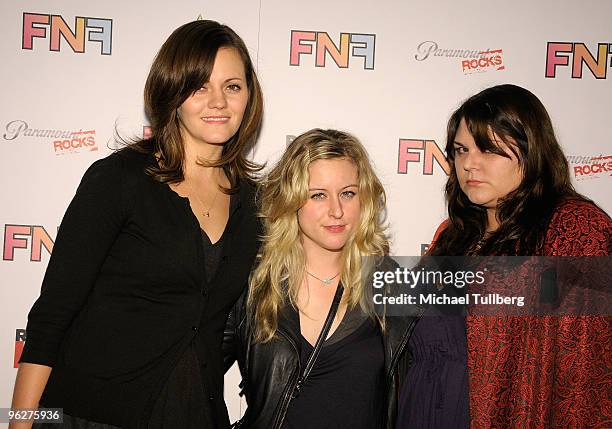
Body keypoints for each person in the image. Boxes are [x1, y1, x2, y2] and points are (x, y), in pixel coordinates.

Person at [10, 20, 263, 429]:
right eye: (199, 86)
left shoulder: (256, 204)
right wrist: (19, 423)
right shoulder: (119, 179)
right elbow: (53, 316)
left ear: (249, 96)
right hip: (89, 414)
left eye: (232, 86)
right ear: (172, 91)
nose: (218, 101)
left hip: (195, 413)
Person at [400, 84, 610, 428]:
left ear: (532, 152)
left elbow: (586, 378)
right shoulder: (452, 236)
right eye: (461, 150)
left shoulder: (575, 229)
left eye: (490, 150)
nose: (469, 164)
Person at [223, 129, 423, 429]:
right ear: (292, 200)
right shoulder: (254, 284)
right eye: (318, 195)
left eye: (348, 193)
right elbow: (193, 374)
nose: (337, 211)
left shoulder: (393, 285)